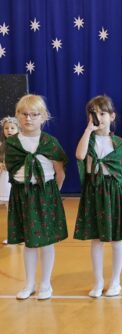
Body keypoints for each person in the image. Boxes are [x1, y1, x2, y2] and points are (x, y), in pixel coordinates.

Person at [5, 95, 68, 300]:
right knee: (29, 242)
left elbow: (60, 172)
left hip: (45, 194)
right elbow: (13, 169)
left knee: (46, 242)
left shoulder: (50, 143)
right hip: (21, 194)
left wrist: (52, 195)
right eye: (24, 114)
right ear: (17, 115)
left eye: (34, 114)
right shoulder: (12, 144)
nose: (29, 118)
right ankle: (29, 283)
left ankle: (45, 284)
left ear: (44, 117)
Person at [74, 95, 122, 298]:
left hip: (114, 192)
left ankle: (115, 281)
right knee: (96, 240)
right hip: (94, 191)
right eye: (94, 113)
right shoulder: (88, 140)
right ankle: (98, 281)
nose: (98, 117)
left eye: (102, 113)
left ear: (112, 116)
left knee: (117, 240)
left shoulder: (120, 143)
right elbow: (80, 156)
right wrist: (88, 130)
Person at [0, 116, 19, 244]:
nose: (9, 130)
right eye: (6, 128)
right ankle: (12, 236)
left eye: (12, 128)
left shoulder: (20, 145)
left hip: (17, 178)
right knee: (9, 209)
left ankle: (21, 235)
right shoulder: (2, 145)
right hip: (4, 179)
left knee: (17, 208)